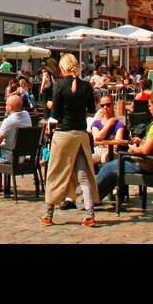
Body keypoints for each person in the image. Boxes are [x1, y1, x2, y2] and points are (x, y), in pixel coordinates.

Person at [41, 53, 98, 227]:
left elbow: (55, 115)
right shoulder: (87, 86)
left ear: (62, 68)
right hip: (80, 135)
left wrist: (51, 106)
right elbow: (91, 110)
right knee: (84, 176)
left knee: (55, 174)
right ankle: (89, 215)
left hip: (63, 134)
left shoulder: (59, 86)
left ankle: (48, 215)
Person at [94, 89, 153, 199]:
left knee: (107, 168)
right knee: (113, 168)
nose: (149, 108)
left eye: (150, 106)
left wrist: (132, 148)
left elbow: (144, 151)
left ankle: (89, 198)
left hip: (145, 164)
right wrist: (141, 142)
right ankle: (97, 197)